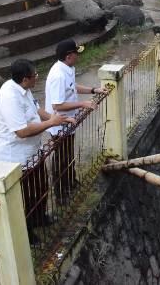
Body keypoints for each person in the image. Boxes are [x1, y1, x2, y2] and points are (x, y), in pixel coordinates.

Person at [0, 59, 74, 236]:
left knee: (41, 187)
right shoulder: (10, 98)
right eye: (34, 75)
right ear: (24, 79)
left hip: (32, 151)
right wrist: (51, 123)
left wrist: (57, 118)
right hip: (16, 156)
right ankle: (26, 232)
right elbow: (21, 131)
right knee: (26, 196)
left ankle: (40, 217)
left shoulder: (24, 89)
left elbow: (37, 111)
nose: (37, 77)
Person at [45, 40, 108, 202]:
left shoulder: (68, 68)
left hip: (69, 121)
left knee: (69, 155)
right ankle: (61, 194)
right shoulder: (58, 75)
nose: (78, 56)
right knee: (61, 160)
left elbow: (73, 87)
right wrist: (82, 103)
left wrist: (93, 90)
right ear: (68, 56)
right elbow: (57, 105)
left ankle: (71, 182)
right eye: (76, 53)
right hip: (60, 124)